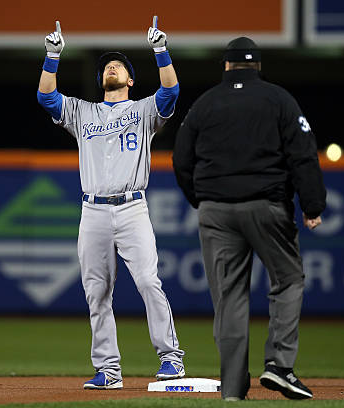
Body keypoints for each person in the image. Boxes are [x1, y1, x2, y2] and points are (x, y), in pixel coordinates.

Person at [172, 37, 326, 401]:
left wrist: (201, 199)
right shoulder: (279, 99)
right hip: (266, 205)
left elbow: (181, 158)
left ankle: (232, 389)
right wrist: (312, 204)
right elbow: (303, 154)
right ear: (257, 65)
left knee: (229, 298)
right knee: (288, 280)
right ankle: (279, 365)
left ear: (226, 66)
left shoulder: (205, 103)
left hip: (215, 211)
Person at [37, 18, 185, 390]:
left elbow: (171, 91)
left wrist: (160, 50)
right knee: (96, 292)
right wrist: (52, 56)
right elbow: (47, 98)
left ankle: (171, 358)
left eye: (118, 65)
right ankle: (108, 370)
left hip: (132, 207)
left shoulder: (144, 110)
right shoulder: (82, 112)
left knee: (148, 281)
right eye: (107, 66)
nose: (111, 68)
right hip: (93, 211)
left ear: (131, 80)